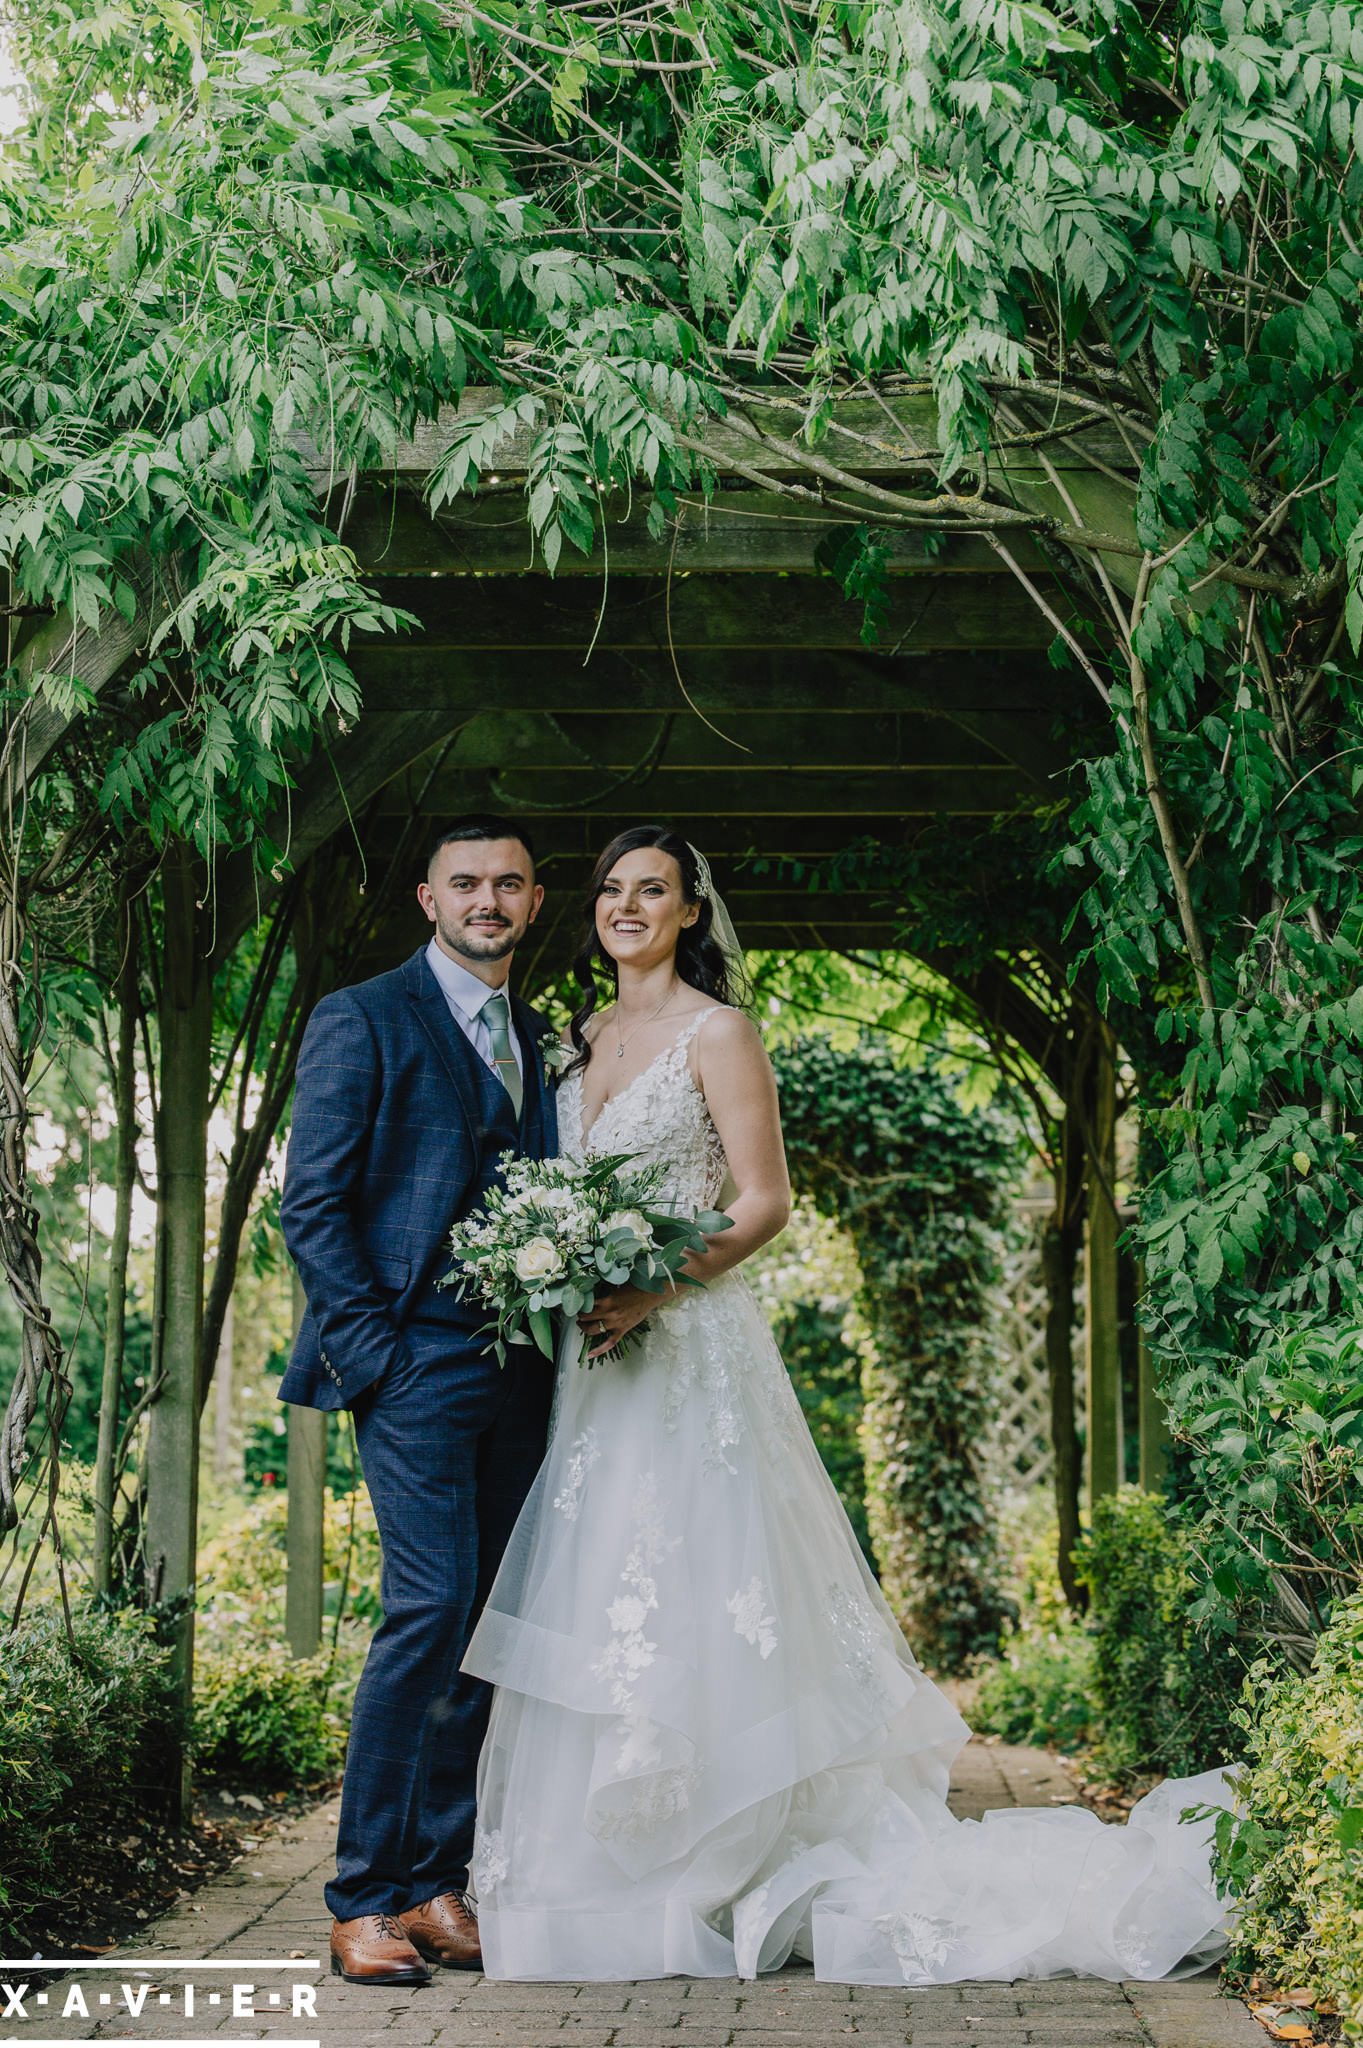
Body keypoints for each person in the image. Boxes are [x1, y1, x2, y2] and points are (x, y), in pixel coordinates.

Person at [461, 823, 1234, 1985]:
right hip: (593, 1363)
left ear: (687, 911)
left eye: (652, 890)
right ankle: (609, 1867)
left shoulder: (719, 1032)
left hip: (685, 1350)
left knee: (696, 1579)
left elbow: (765, 1200)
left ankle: (717, 1862)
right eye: (613, 889)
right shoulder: (573, 1042)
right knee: (602, 1581)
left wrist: (649, 1288)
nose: (627, 906)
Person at [280, 815, 558, 1987]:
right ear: (425, 897)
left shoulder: (539, 1033)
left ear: (534, 903)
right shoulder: (363, 1014)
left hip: (526, 1367)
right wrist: (374, 1358)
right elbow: (314, 1203)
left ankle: (437, 1884)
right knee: (428, 1608)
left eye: (507, 883)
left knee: (488, 1623)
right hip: (411, 1360)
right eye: (466, 883)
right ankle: (361, 1896)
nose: (486, 899)